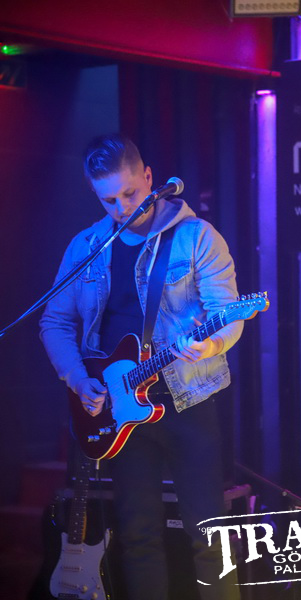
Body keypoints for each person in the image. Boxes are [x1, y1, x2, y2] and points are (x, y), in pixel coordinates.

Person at [39, 133, 243, 600]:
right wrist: (78, 378)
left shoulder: (197, 237)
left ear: (149, 177)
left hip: (188, 400)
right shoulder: (87, 246)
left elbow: (228, 313)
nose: (122, 208)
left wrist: (210, 344)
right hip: (117, 408)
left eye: (130, 193)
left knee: (208, 535)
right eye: (108, 200)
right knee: (137, 535)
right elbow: (54, 320)